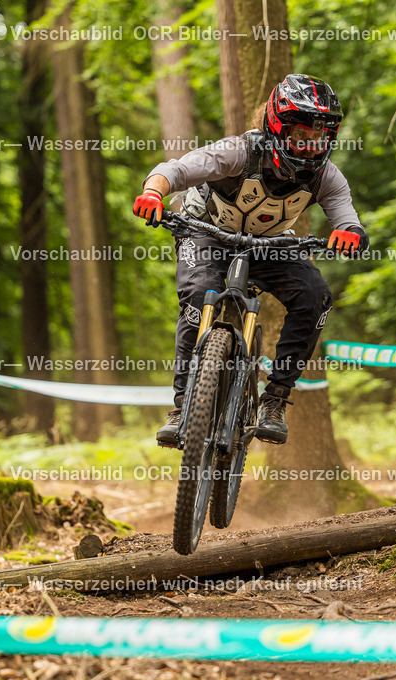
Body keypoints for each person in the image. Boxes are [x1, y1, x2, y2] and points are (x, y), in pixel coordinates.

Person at [134, 74, 368, 447]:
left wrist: (350, 233)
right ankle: (182, 409)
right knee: (198, 292)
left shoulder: (327, 176)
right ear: (278, 128)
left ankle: (274, 400)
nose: (309, 147)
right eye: (300, 137)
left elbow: (347, 217)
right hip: (205, 231)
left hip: (269, 246)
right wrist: (152, 193)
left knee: (316, 295)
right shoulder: (239, 152)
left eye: (318, 138)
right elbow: (174, 170)